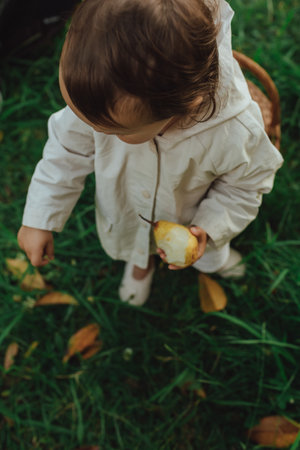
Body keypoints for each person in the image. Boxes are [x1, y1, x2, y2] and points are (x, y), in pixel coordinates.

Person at [17, 0, 283, 306]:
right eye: (82, 117)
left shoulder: (233, 133)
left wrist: (210, 229)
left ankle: (213, 260)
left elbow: (245, 186)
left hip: (193, 215)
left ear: (185, 106)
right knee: (135, 237)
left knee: (205, 248)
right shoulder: (100, 99)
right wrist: (40, 216)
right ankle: (141, 263)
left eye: (116, 131)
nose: (94, 131)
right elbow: (66, 151)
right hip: (128, 206)